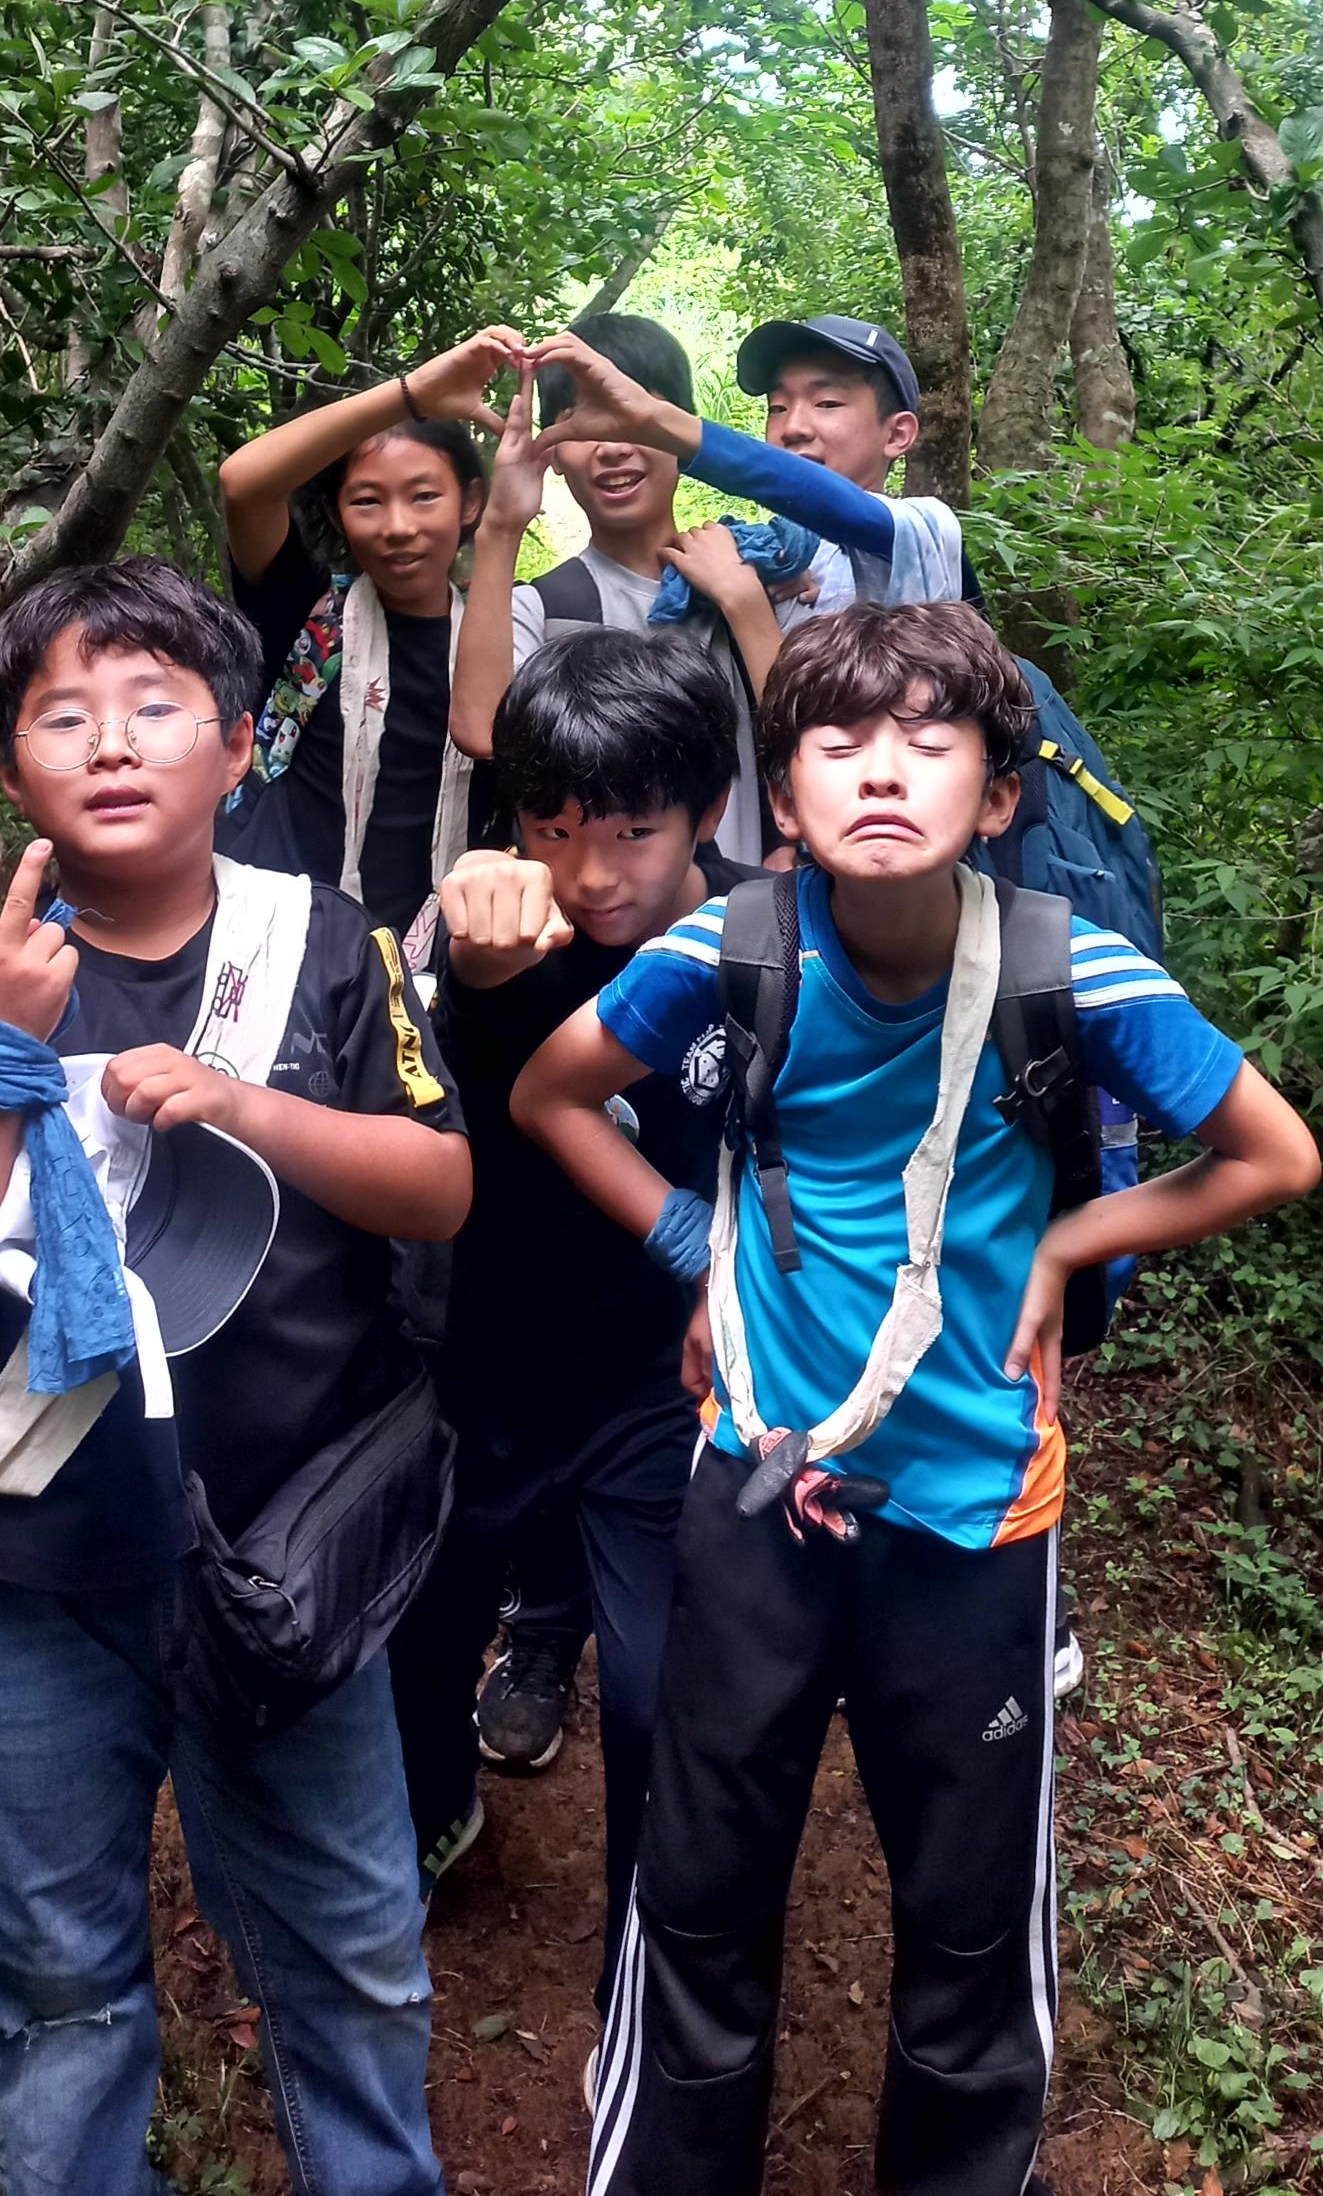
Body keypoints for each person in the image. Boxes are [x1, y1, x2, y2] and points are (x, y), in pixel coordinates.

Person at [514, 602, 1320, 2196]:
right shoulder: (731, 952)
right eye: (837, 744)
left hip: (974, 1506)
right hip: (755, 1478)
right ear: (783, 797)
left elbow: (1272, 1154)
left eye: (930, 742)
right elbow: (555, 1094)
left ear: (999, 796)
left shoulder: (1069, 971)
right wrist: (693, 1252)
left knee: (966, 1920)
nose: (882, 773)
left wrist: (1076, 1237)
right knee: (699, 1888)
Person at [0, 557, 469, 2196]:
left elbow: (436, 1184)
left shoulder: (322, 944)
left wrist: (246, 1104)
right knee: (56, 1992)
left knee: (355, 1961)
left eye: (153, 704)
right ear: (12, 770)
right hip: (24, 1572)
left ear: (237, 742)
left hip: (283, 1553)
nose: (110, 741)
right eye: (62, 715)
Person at [387, 629, 741, 2002]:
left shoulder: (768, 942)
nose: (591, 873)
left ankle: (648, 1972)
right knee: (418, 1640)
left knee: (660, 1690)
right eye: (553, 827)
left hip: (663, 1384)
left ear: (708, 812)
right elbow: (448, 1094)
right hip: (479, 1367)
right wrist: (474, 968)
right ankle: (433, 1819)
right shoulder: (477, 930)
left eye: (634, 831)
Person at [215, 327, 525, 956]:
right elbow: (244, 484)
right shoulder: (307, 615)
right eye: (367, 501)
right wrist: (413, 394)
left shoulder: (508, 637)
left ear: (470, 503)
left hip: (444, 954)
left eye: (424, 496)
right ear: (336, 514)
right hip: (279, 941)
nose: (398, 526)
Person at [451, 311, 786, 873]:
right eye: (580, 424)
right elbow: (483, 730)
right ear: (553, 452)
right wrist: (502, 525)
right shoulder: (545, 609)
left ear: (679, 431)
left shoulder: (754, 575)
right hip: (596, 907)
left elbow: (811, 739)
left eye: (632, 415)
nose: (610, 446)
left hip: (736, 910)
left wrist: (745, 604)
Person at [527, 311, 972, 628]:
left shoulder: (926, 532)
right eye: (778, 407)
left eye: (827, 403)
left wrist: (661, 424)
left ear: (897, 434)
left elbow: (832, 506)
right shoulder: (771, 560)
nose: (793, 428)